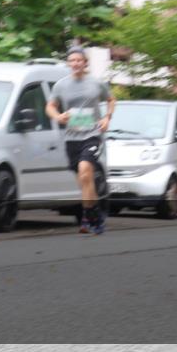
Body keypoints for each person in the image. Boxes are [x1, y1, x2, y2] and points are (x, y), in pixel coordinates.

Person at [45, 47, 116, 235]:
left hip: (92, 134)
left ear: (85, 63)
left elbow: (110, 100)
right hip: (72, 138)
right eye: (72, 60)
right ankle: (95, 216)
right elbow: (50, 106)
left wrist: (107, 118)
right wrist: (58, 117)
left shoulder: (96, 83)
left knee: (86, 172)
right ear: (69, 63)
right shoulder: (61, 85)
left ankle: (87, 217)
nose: (75, 63)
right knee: (84, 181)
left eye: (79, 60)